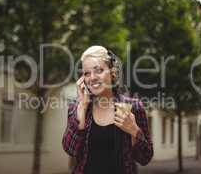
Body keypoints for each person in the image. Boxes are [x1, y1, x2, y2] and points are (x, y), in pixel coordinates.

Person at [62, 46, 153, 174]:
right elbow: (70, 150)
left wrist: (134, 130)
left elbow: (145, 158)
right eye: (86, 73)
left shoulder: (133, 108)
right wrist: (82, 107)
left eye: (98, 70)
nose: (92, 77)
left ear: (112, 72)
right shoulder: (77, 108)